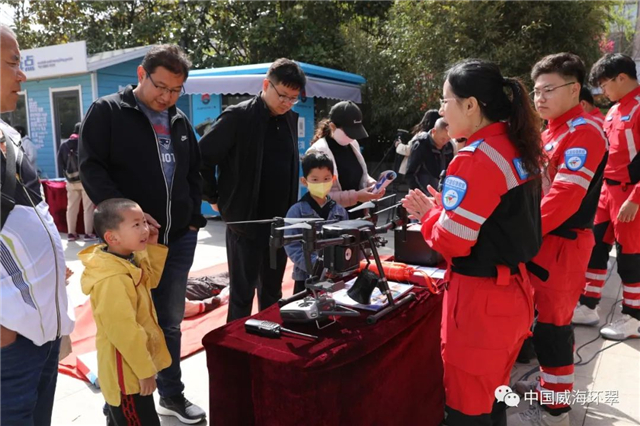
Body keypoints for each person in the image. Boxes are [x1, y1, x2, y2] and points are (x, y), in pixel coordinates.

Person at [402, 59, 545, 426]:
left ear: (470, 105)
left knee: (467, 410)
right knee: (494, 399)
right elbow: (494, 219)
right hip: (512, 295)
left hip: (479, 305)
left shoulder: (476, 158)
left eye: (445, 100)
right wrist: (445, 210)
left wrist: (429, 216)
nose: (441, 111)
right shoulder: (514, 145)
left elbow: (453, 242)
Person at [79, 44, 206, 423]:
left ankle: (171, 394)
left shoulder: (179, 121)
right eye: (161, 86)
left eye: (175, 90)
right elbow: (91, 168)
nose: (167, 97)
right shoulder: (108, 112)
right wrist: (127, 218)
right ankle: (118, 400)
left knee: (168, 322)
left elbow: (193, 173)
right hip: (129, 246)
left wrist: (192, 219)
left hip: (177, 239)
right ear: (141, 74)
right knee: (127, 322)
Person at [510, 53, 608, 426]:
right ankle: (548, 386)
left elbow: (564, 198)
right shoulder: (551, 131)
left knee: (553, 328)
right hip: (542, 240)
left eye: (549, 89)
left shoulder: (584, 132)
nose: (540, 97)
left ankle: (555, 412)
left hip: (562, 245)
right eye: (536, 90)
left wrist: (520, 233)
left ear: (574, 89)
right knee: (541, 324)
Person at [0, 24, 75, 426]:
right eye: (13, 63)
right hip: (10, 341)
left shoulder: (7, 134)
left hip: (40, 330)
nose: (22, 75)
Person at [199, 58, 306, 322]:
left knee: (272, 292)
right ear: (266, 85)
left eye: (293, 98)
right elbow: (201, 158)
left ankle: (267, 338)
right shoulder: (238, 117)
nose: (287, 103)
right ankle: (236, 343)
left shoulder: (290, 119)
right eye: (283, 95)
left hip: (279, 223)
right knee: (242, 294)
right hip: (245, 222)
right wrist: (214, 197)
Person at [79, 199, 170, 426]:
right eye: (136, 225)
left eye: (144, 222)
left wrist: (151, 247)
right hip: (127, 375)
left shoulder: (127, 258)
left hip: (133, 365)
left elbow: (150, 281)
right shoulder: (113, 279)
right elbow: (124, 331)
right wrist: (144, 371)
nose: (145, 229)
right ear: (112, 237)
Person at [572, 53, 640, 340]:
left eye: (604, 83)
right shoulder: (613, 111)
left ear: (621, 78)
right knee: (596, 247)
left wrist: (635, 198)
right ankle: (588, 306)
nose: (602, 90)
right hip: (605, 192)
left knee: (630, 257)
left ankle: (633, 317)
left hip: (629, 194)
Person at [284, 152, 349, 294]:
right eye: (315, 179)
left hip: (335, 274)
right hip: (306, 276)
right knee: (305, 305)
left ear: (333, 179)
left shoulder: (340, 211)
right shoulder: (296, 212)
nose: (321, 184)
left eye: (326, 179)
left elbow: (347, 242)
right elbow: (292, 246)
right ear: (304, 181)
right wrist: (316, 266)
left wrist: (340, 264)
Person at [306, 101, 383, 218]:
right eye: (349, 133)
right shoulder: (318, 152)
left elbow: (359, 174)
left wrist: (373, 185)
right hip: (331, 222)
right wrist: (356, 196)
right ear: (332, 126)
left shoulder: (353, 144)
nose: (352, 137)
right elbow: (319, 195)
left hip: (358, 217)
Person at [58, 122, 97, 241]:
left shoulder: (64, 145)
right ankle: (88, 234)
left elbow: (60, 162)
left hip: (71, 181)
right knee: (88, 209)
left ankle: (71, 233)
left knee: (71, 208)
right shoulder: (85, 144)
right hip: (86, 181)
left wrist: (67, 175)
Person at [405, 117, 455, 193]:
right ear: (434, 131)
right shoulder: (421, 145)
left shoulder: (449, 146)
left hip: (440, 193)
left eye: (448, 139)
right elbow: (410, 174)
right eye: (442, 139)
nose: (445, 142)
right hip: (421, 193)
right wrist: (420, 194)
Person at [396, 110, 440, 178]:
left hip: (418, 169)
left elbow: (410, 150)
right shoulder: (439, 135)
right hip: (433, 169)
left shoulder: (421, 136)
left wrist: (399, 145)